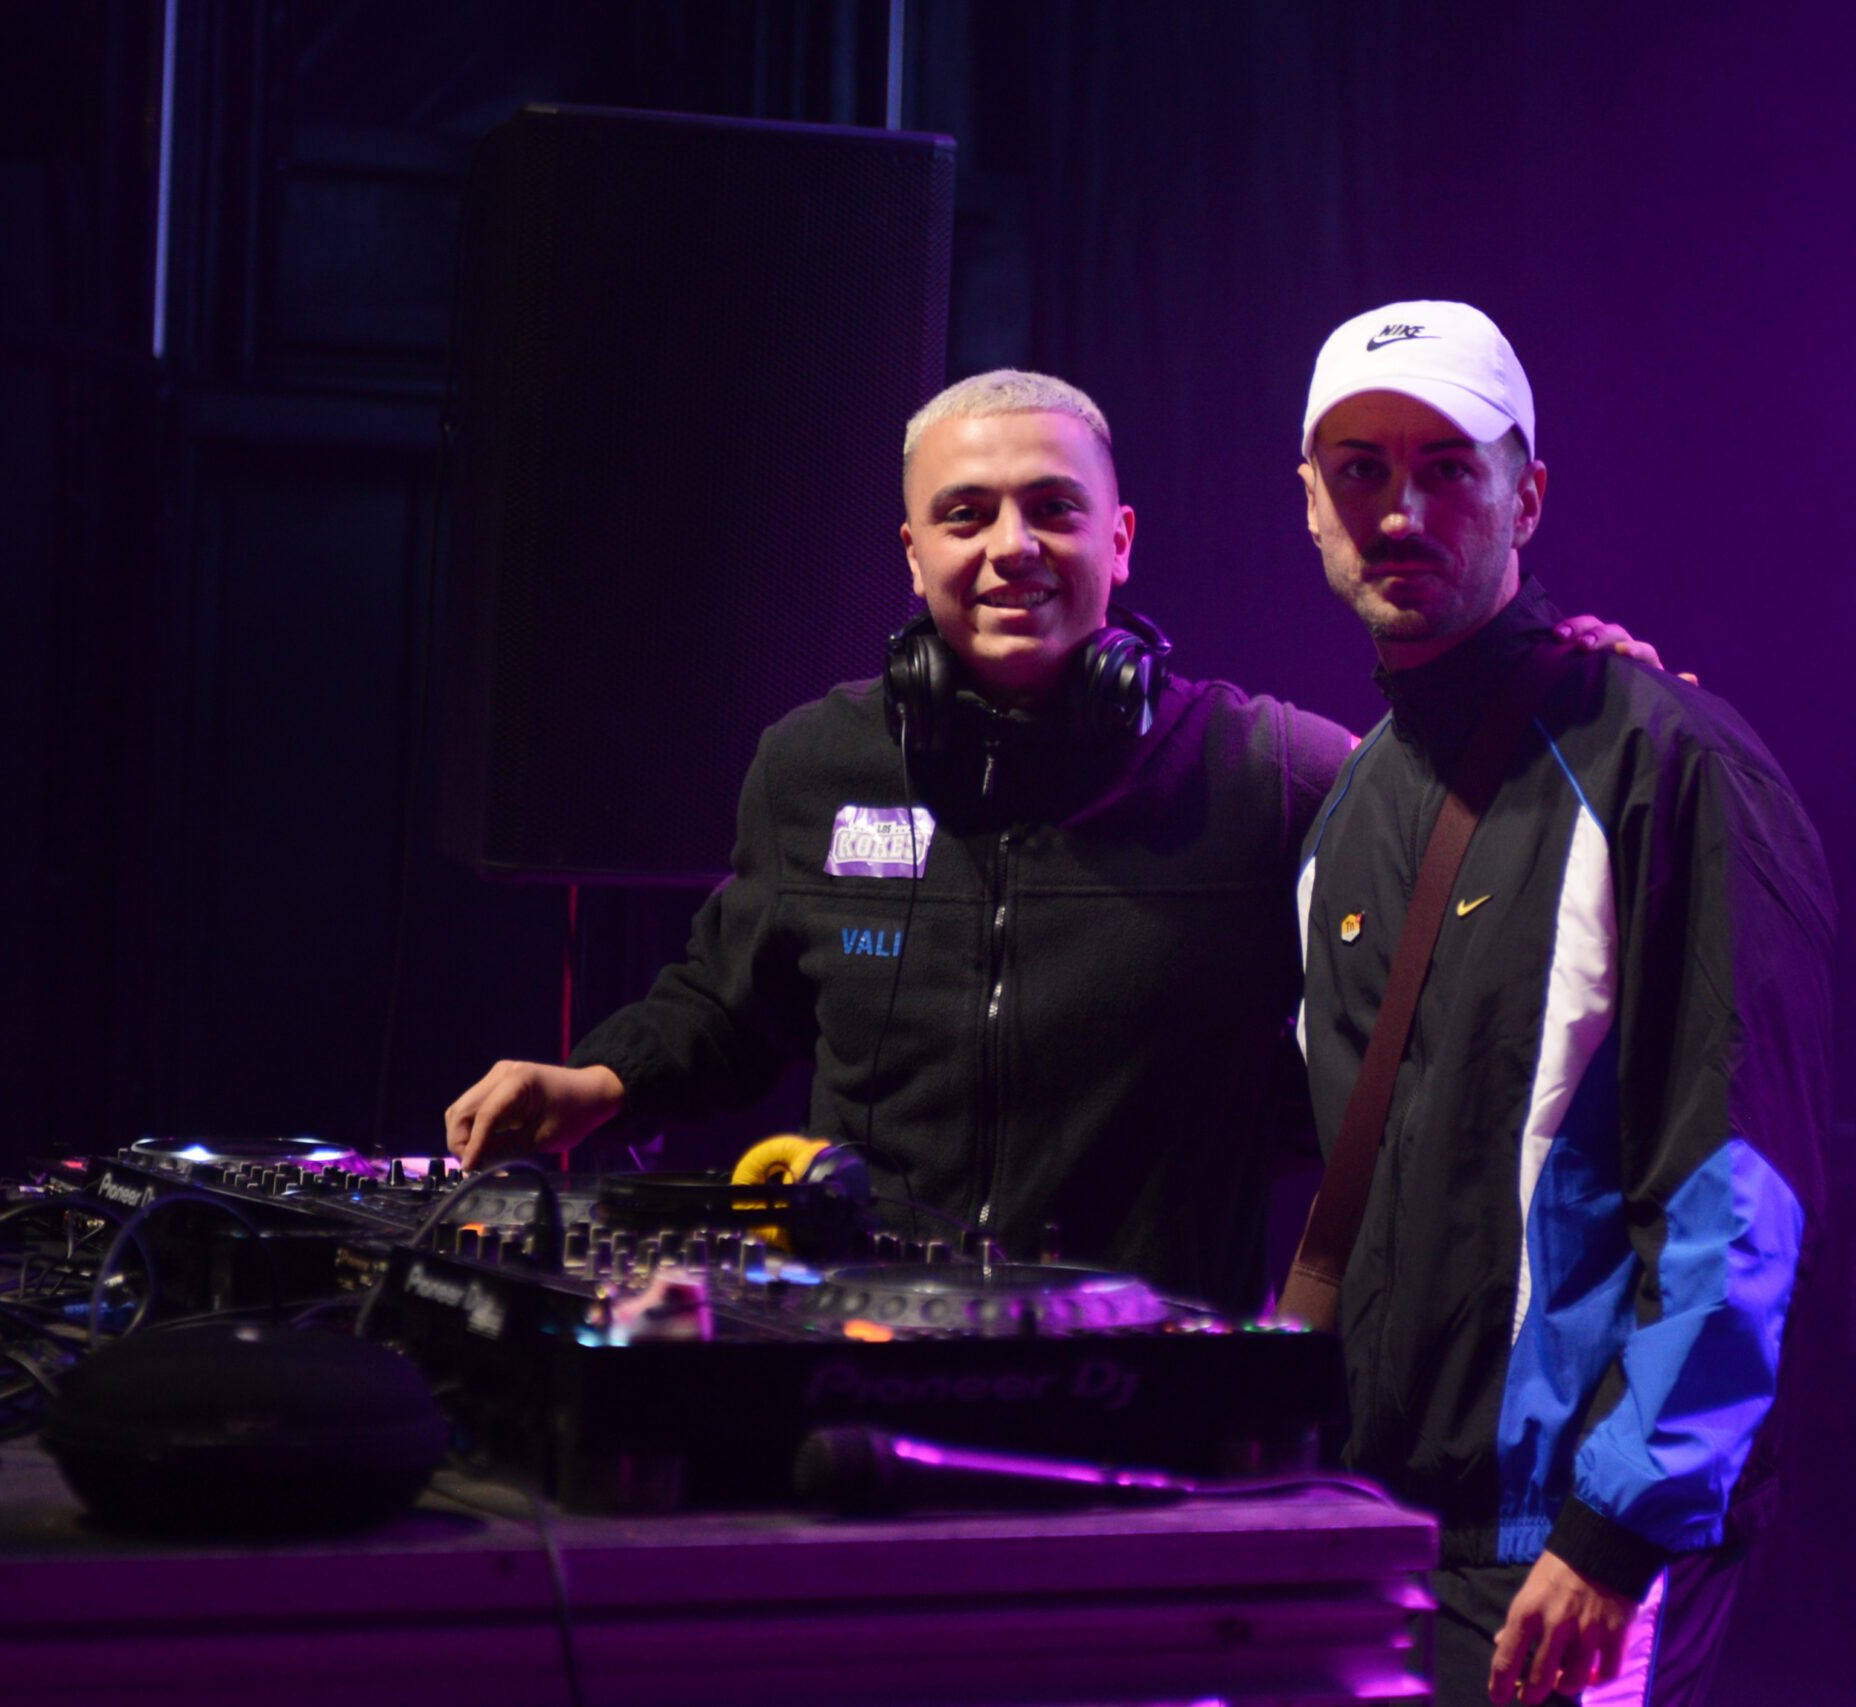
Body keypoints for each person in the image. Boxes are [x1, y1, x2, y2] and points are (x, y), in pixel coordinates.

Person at [444, 368, 1655, 1314]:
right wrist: (599, 1081)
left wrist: (1571, 705)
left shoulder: (1269, 772)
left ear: (1118, 539)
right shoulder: (812, 765)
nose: (1010, 545)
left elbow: (1454, 862)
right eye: (965, 515)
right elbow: (729, 997)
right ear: (912, 553)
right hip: (863, 1352)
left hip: (1148, 1392)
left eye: (1052, 509)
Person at [1292, 302, 1833, 1707]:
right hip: (1380, 1531)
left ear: (1525, 498)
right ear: (1310, 502)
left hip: (1574, 1551)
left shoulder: (1668, 760)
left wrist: (1613, 1528)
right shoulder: (1349, 804)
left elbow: (1739, 1189)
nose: (1399, 510)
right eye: (1359, 469)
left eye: (1447, 469)